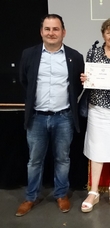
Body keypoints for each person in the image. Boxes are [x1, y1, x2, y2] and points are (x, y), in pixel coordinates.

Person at [16, 14, 84, 216]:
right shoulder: (29, 54)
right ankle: (31, 197)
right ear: (41, 32)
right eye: (47, 29)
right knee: (34, 161)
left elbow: (78, 86)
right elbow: (24, 81)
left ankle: (61, 194)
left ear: (63, 32)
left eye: (56, 29)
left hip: (63, 117)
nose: (51, 33)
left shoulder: (75, 57)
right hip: (36, 117)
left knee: (62, 159)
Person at [80, 18, 110, 213]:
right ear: (103, 35)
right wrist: (84, 78)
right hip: (97, 109)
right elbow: (86, 78)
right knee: (97, 149)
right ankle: (93, 191)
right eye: (108, 33)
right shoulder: (93, 52)